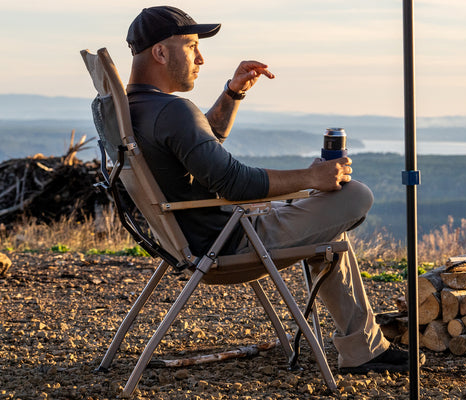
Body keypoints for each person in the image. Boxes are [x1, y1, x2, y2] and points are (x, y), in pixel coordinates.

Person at [125, 6, 415, 374]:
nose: (201, 58)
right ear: (161, 53)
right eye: (191, 46)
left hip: (185, 239)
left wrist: (233, 94)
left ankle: (363, 348)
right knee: (354, 195)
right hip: (228, 242)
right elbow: (233, 182)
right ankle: (361, 350)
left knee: (324, 226)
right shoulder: (172, 111)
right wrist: (313, 178)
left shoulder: (134, 108)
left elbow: (202, 143)